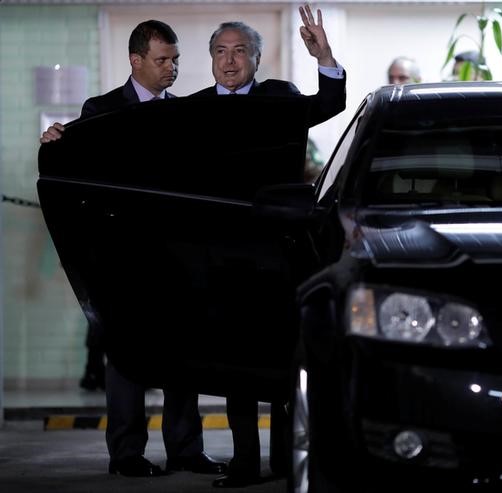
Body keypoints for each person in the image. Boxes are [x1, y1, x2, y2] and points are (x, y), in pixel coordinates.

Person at [39, 20, 227, 478]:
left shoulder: (186, 115)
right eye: (162, 60)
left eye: (176, 60)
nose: (172, 69)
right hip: (122, 256)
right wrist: (54, 144)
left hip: (177, 255)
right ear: (135, 60)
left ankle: (185, 449)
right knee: (125, 356)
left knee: (182, 353)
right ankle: (126, 454)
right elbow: (76, 173)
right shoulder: (101, 111)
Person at [190, 5, 346, 488]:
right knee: (236, 362)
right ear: (211, 59)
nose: (230, 61)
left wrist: (325, 57)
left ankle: (284, 458)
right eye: (220, 52)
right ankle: (242, 462)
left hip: (280, 248)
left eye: (240, 52)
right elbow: (133, 135)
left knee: (283, 355)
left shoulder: (280, 98)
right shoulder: (192, 109)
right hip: (222, 254)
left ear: (256, 59)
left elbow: (330, 104)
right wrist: (65, 135)